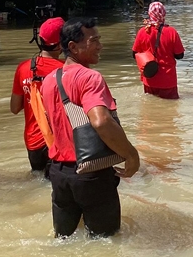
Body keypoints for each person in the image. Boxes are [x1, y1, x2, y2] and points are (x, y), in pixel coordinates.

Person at [41, 17, 140, 238]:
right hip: (91, 174)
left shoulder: (48, 81)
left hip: (58, 173)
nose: (100, 46)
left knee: (63, 240)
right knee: (107, 243)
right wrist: (131, 155)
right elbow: (101, 121)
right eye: (94, 40)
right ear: (73, 47)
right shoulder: (90, 78)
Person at [10, 17, 66, 178]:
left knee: (39, 180)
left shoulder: (23, 68)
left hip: (33, 141)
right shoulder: (67, 69)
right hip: (57, 142)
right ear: (62, 43)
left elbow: (14, 108)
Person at [132, 2, 185, 100]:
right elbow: (180, 55)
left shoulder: (142, 32)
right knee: (170, 111)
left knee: (149, 110)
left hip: (149, 78)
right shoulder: (171, 32)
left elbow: (134, 54)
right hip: (168, 80)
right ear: (163, 13)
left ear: (150, 13)